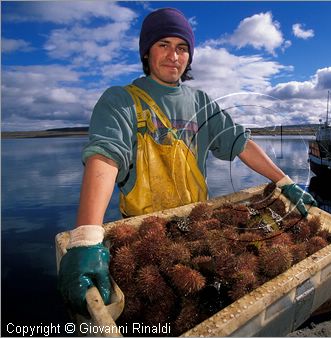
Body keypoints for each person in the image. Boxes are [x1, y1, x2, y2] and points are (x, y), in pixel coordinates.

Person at [58, 7, 317, 316]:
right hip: (143, 231)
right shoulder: (120, 100)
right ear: (146, 52)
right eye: (163, 45)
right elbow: (105, 155)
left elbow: (240, 143)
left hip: (198, 225)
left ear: (190, 56)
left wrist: (283, 181)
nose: (173, 56)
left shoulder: (200, 103)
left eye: (182, 48)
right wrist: (87, 234)